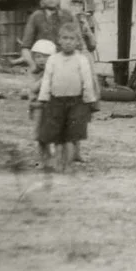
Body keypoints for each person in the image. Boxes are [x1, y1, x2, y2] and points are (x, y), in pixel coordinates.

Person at [37, 23, 98, 173]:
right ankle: (58, 163)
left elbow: (87, 80)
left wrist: (89, 100)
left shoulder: (81, 59)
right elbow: (47, 79)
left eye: (72, 39)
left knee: (71, 136)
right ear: (59, 40)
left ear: (77, 42)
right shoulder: (53, 59)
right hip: (56, 101)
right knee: (58, 136)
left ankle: (68, 165)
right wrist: (44, 97)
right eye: (65, 38)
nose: (68, 41)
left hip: (76, 102)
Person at [59, 0, 101, 163]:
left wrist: (86, 27)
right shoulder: (62, 21)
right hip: (70, 65)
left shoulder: (85, 21)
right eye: (73, 3)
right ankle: (66, 150)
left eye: (79, 3)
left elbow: (92, 46)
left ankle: (77, 151)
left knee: (82, 111)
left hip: (86, 65)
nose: (77, 6)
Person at [20, 0, 68, 73]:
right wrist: (33, 65)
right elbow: (25, 47)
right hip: (42, 69)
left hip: (64, 67)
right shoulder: (36, 16)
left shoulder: (67, 16)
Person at [28, 39, 57, 171]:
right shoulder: (34, 72)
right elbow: (33, 88)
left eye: (45, 57)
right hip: (38, 107)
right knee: (39, 135)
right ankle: (40, 159)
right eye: (38, 56)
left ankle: (51, 159)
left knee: (50, 134)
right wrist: (44, 78)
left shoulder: (55, 72)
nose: (41, 60)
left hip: (51, 108)